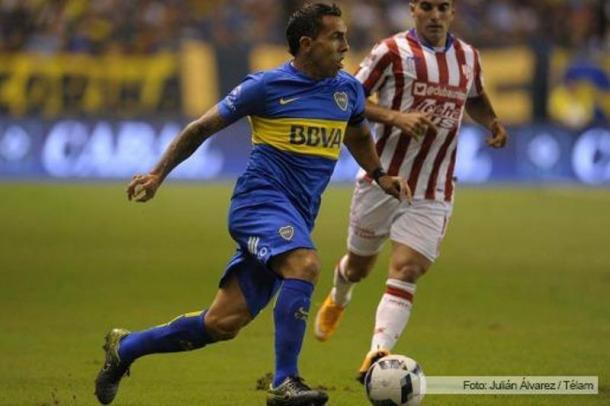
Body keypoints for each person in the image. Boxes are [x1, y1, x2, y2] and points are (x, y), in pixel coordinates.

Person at [94, 3, 407, 406]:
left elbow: (359, 135)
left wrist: (380, 175)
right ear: (307, 44)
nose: (346, 45)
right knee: (305, 265)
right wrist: (157, 174)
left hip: (296, 216)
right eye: (336, 37)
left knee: (222, 323)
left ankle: (126, 348)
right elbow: (201, 127)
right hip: (258, 204)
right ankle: (285, 381)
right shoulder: (266, 86)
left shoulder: (347, 91)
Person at [313, 0, 508, 383]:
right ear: (413, 10)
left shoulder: (468, 57)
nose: (436, 15)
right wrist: (394, 116)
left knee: (407, 268)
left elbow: (475, 98)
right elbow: (348, 97)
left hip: (434, 188)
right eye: (428, 7)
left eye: (443, 7)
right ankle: (339, 296)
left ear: (452, 13)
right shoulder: (390, 52)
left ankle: (378, 353)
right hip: (382, 179)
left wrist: (493, 122)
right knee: (358, 266)